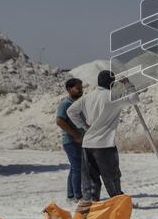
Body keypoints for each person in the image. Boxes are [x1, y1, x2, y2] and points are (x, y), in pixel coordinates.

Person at [66, 69, 139, 210]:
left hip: (88, 144)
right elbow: (134, 99)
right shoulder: (114, 96)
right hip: (105, 145)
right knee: (111, 177)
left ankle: (90, 206)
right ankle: (118, 203)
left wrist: (83, 125)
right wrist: (128, 85)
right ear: (111, 83)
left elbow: (71, 111)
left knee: (90, 179)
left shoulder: (88, 96)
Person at [55, 78, 85, 202]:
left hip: (78, 140)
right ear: (69, 89)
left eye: (81, 88)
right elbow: (59, 121)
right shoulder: (65, 104)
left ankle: (71, 195)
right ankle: (78, 196)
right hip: (71, 141)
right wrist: (75, 135)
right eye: (77, 88)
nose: (80, 90)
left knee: (74, 168)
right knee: (78, 168)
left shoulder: (78, 102)